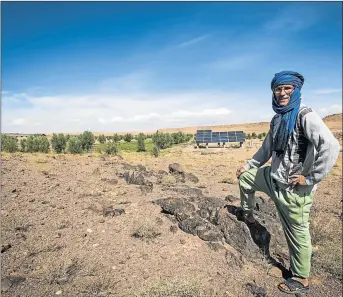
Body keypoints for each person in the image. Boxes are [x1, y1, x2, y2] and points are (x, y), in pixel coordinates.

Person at [236, 71, 340, 294]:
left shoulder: (305, 115)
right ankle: (248, 214)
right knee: (245, 179)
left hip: (294, 189)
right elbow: (266, 150)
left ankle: (301, 279)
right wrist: (248, 165)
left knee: (297, 232)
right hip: (273, 179)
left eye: (287, 88)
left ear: (296, 90)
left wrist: (310, 178)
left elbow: (331, 146)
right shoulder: (277, 118)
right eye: (278, 89)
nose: (282, 93)